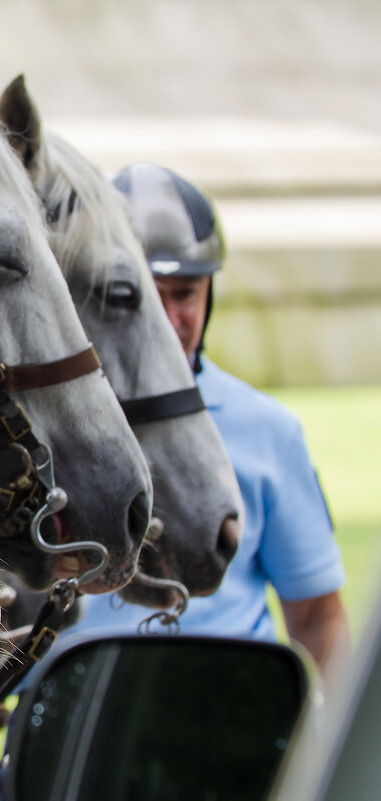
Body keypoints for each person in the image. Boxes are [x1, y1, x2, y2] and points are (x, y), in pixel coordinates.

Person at [65, 162, 350, 677]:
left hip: (224, 721)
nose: (170, 320)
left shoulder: (269, 430)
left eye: (186, 294)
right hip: (81, 731)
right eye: (148, 295)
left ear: (210, 295)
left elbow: (316, 617)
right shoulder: (45, 431)